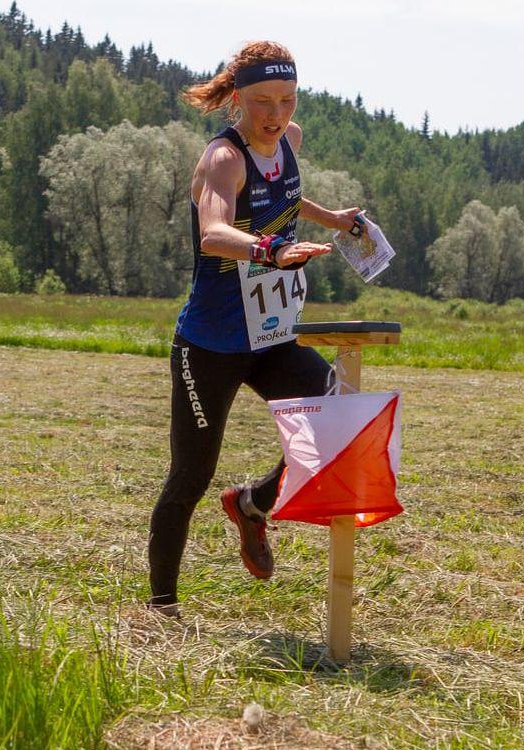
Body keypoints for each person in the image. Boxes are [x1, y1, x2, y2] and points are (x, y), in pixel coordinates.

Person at [147, 41, 364, 616]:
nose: (276, 115)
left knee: (336, 414)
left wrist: (333, 219)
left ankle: (252, 505)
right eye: (263, 102)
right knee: (190, 477)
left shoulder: (289, 142)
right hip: (210, 345)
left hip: (269, 339)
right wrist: (272, 251)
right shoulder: (224, 157)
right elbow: (214, 231)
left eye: (287, 101)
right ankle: (161, 607)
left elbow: (287, 196)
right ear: (238, 99)